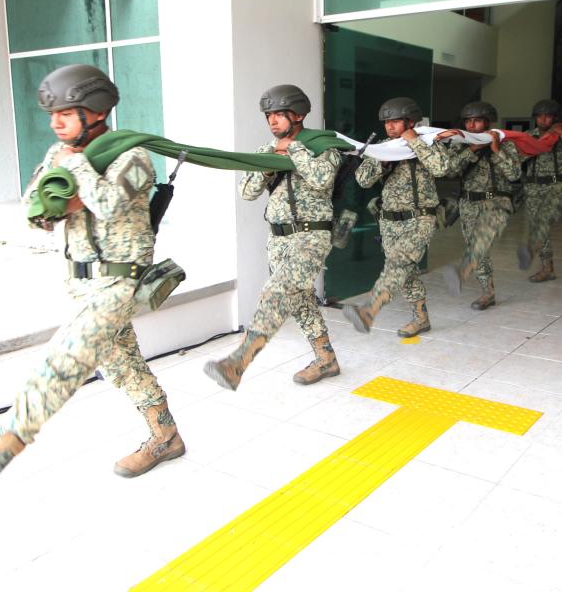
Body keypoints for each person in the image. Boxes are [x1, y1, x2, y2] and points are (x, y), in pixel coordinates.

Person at [0, 64, 185, 522]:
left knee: (55, 371)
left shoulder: (132, 158)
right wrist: (52, 204)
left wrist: (76, 170)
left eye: (66, 112)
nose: (56, 122)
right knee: (123, 367)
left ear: (96, 111)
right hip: (82, 283)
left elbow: (106, 204)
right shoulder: (60, 153)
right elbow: (34, 208)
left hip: (118, 283)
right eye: (53, 114)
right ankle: (166, 436)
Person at [204, 85, 342, 390]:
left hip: (311, 235)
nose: (273, 121)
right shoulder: (265, 151)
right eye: (269, 115)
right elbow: (247, 192)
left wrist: (293, 150)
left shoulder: (321, 147)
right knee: (299, 301)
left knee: (277, 292)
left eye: (279, 114)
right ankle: (326, 359)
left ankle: (238, 361)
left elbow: (322, 181)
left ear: (299, 114)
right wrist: (267, 166)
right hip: (278, 239)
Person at [343, 97, 451, 338]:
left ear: (410, 122)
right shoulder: (382, 147)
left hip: (420, 218)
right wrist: (381, 163)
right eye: (386, 122)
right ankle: (421, 318)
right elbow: (362, 180)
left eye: (395, 121)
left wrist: (415, 143)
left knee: (399, 264)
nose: (389, 126)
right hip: (390, 220)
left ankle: (368, 310)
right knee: (406, 273)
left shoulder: (428, 142)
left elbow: (442, 168)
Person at [439, 101, 522, 310]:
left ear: (488, 122)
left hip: (496, 202)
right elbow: (448, 171)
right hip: (468, 203)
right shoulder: (461, 144)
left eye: (477, 121)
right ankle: (488, 292)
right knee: (476, 248)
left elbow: (514, 174)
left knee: (480, 245)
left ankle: (464, 274)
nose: (471, 126)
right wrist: (471, 150)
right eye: (468, 121)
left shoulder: (506, 144)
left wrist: (495, 150)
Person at [518, 98, 562, 283]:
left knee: (543, 225)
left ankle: (546, 267)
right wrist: (532, 146)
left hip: (557, 186)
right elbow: (516, 160)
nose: (544, 120)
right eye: (540, 117)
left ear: (555, 118)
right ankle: (548, 267)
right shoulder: (529, 136)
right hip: (533, 187)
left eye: (548, 117)